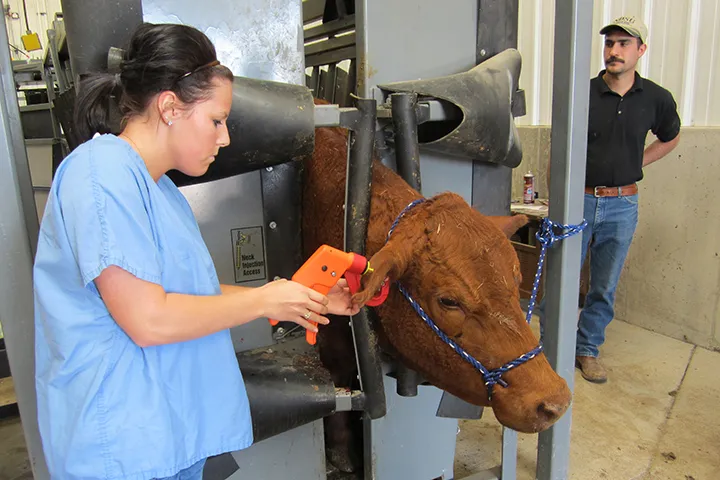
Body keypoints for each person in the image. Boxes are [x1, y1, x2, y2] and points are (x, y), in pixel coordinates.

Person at [33, 23, 361, 480]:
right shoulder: (100, 173)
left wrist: (299, 298)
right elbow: (149, 320)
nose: (224, 137)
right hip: (123, 449)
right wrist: (265, 302)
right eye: (216, 120)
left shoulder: (158, 188)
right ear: (169, 107)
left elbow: (192, 293)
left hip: (166, 434)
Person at [540, 15, 681, 384]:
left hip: (622, 204)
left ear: (641, 50)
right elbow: (561, 142)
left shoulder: (657, 99)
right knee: (562, 278)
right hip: (578, 202)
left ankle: (587, 350)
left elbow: (671, 137)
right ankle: (550, 347)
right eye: (609, 44)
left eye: (623, 44)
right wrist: (558, 195)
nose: (614, 51)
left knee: (603, 285)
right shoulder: (581, 93)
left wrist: (639, 162)